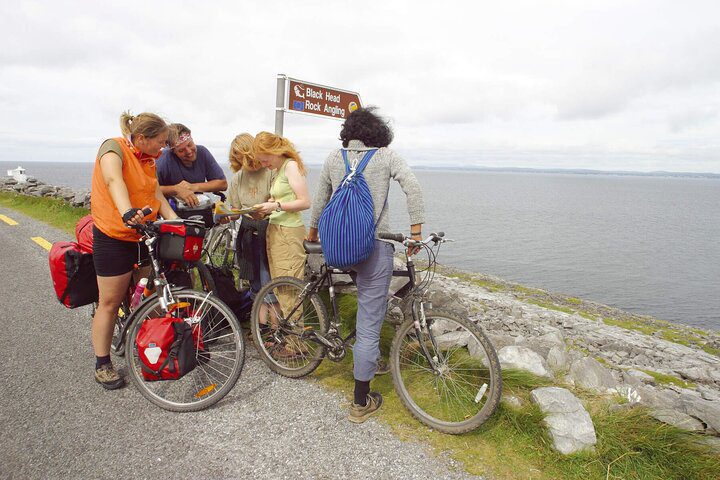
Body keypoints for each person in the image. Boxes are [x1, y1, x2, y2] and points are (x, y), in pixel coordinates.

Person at [307, 107, 425, 423]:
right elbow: (412, 187)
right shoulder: (386, 157)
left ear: (349, 133)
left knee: (367, 311)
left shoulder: (334, 158)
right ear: (379, 132)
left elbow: (320, 200)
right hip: (374, 249)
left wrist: (312, 234)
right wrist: (415, 233)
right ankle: (361, 401)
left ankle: (365, 358)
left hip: (340, 249)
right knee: (370, 321)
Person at [90, 111, 178, 389]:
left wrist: (177, 223)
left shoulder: (149, 159)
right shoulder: (113, 148)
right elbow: (114, 181)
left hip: (142, 235)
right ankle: (102, 363)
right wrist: (126, 210)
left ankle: (146, 347)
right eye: (160, 142)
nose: (163, 148)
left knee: (147, 297)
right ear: (141, 137)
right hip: (113, 235)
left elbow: (156, 195)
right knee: (110, 302)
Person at [252, 132, 311, 355]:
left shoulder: (290, 166)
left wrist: (275, 206)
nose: (262, 163)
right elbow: (284, 200)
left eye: (264, 158)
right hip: (277, 230)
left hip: (288, 232)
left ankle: (296, 345)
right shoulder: (279, 170)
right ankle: (289, 340)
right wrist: (267, 207)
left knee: (289, 288)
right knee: (282, 288)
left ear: (274, 151)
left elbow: (305, 201)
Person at [226, 133, 273, 298]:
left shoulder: (270, 171)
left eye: (243, 159)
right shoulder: (237, 178)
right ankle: (259, 321)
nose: (242, 164)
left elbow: (281, 203)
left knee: (269, 280)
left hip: (269, 232)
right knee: (255, 283)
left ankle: (275, 322)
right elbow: (235, 210)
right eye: (238, 160)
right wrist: (224, 215)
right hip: (248, 233)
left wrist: (266, 210)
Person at [156, 123, 228, 207]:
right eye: (181, 150)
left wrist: (193, 187)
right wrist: (176, 190)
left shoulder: (202, 152)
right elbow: (151, 189)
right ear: (173, 151)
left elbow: (223, 184)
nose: (189, 151)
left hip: (196, 206)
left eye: (190, 145)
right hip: (170, 208)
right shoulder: (164, 158)